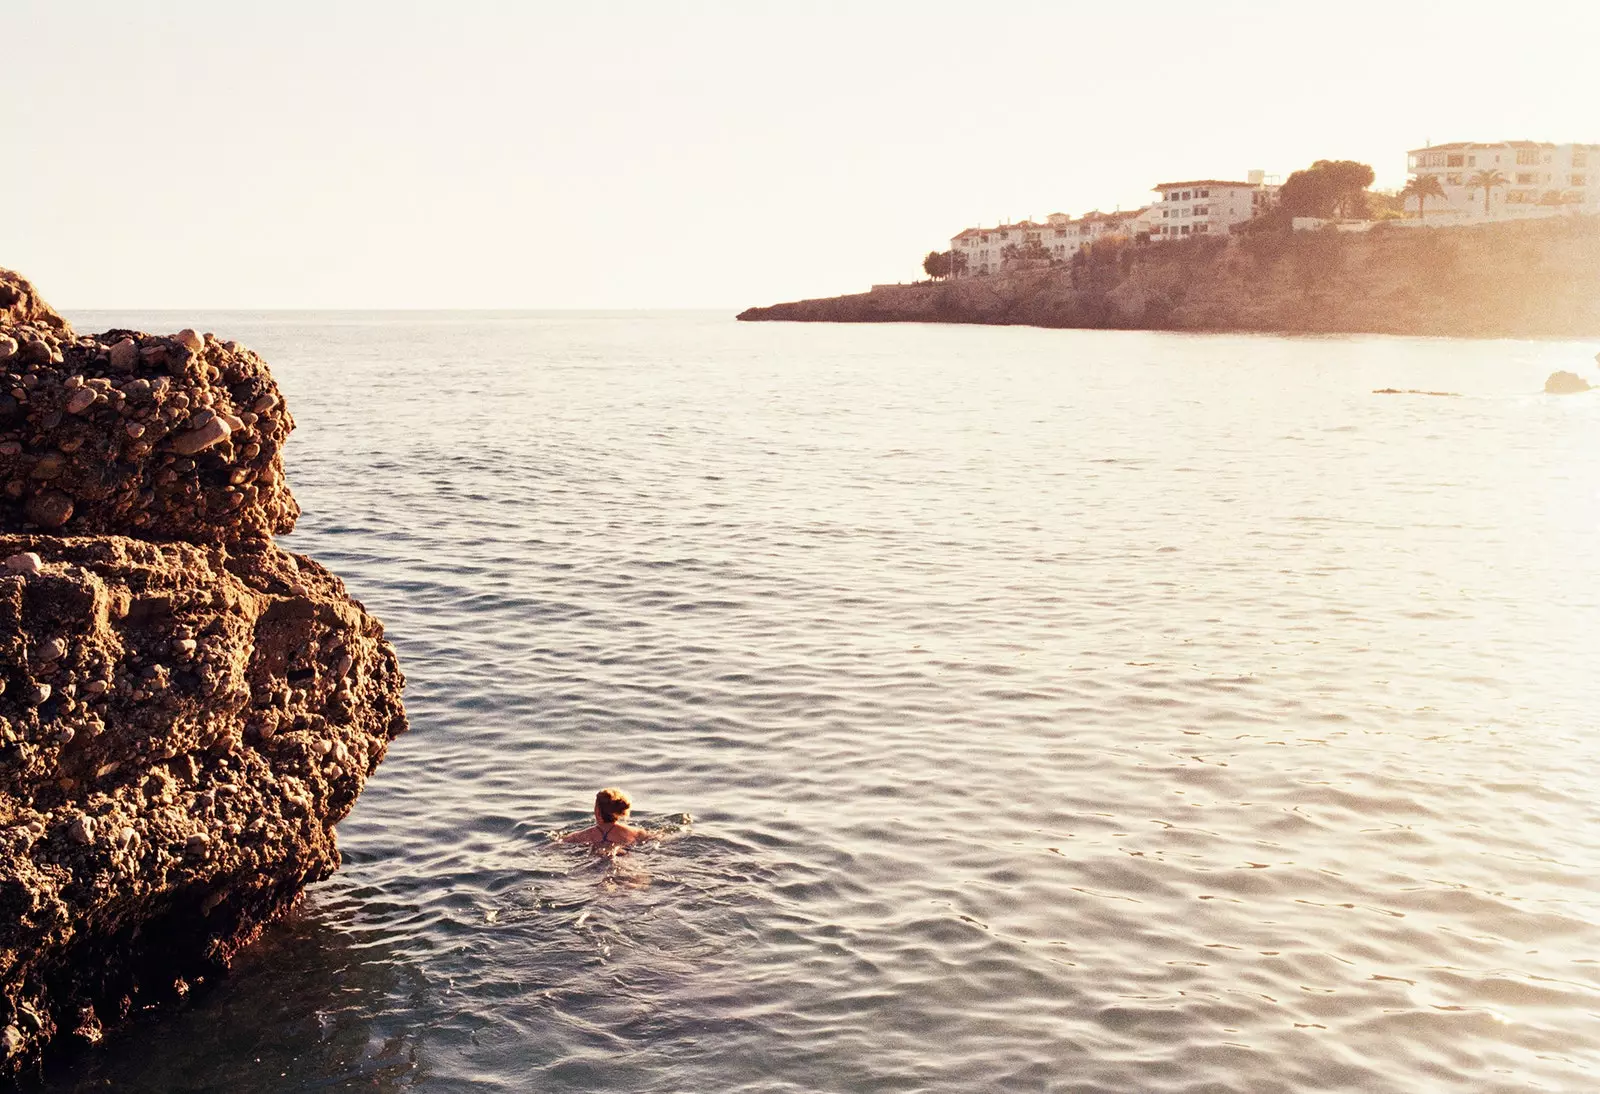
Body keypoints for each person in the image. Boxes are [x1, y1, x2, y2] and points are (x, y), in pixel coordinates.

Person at [561, 787, 657, 853]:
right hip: (624, 858)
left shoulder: (578, 836)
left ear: (597, 810)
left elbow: (554, 847)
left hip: (593, 862)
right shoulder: (637, 833)